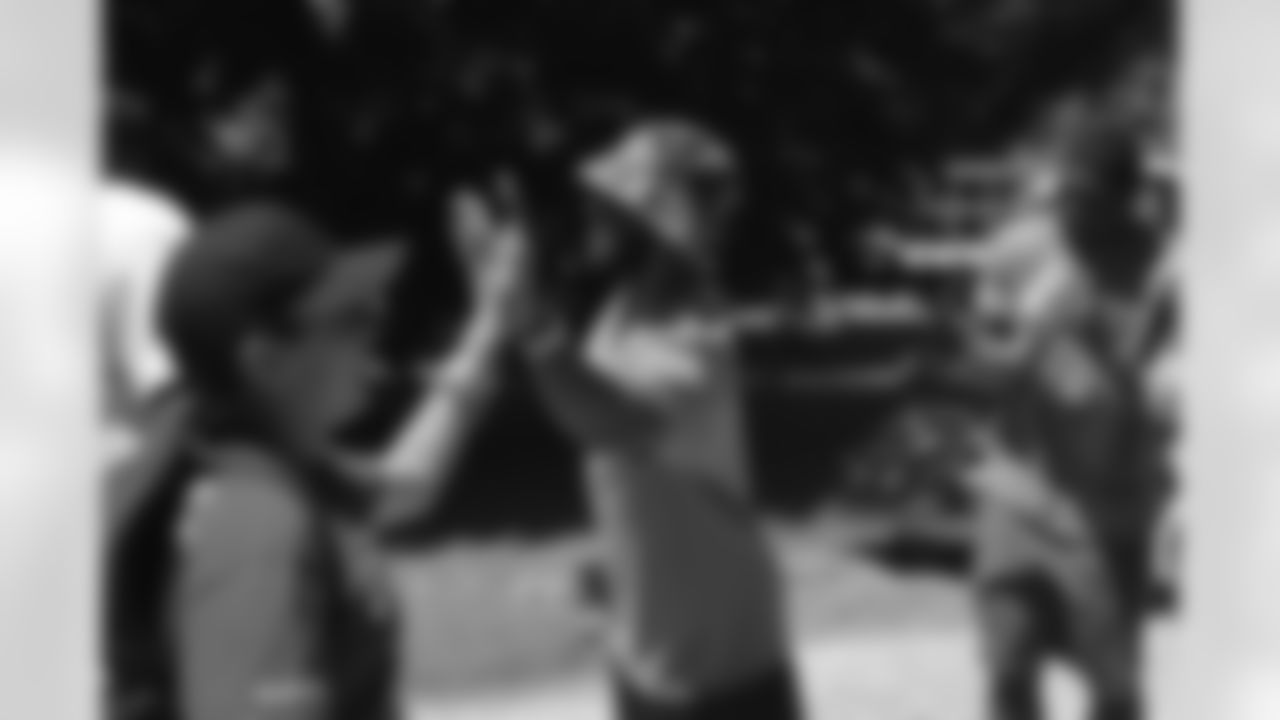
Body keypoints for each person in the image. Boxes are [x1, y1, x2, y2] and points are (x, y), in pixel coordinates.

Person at [107, 190, 525, 720]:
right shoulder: (256, 526)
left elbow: (407, 485)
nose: (378, 324)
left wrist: (490, 324)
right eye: (350, 317)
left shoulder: (276, 466)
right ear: (263, 357)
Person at [508, 120, 804, 720]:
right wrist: (615, 566)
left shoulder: (696, 331)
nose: (592, 214)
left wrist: (531, 324)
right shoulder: (622, 312)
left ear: (656, 224)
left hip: (723, 673)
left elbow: (614, 422)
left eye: (612, 204)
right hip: (648, 656)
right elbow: (636, 468)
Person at [898, 128, 1171, 720]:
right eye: (1064, 195)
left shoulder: (1156, 263)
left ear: (1123, 199)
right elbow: (984, 358)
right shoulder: (1017, 250)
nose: (1071, 212)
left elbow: (1131, 387)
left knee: (1114, 691)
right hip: (1016, 495)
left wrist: (1068, 339)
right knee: (1007, 667)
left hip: (1106, 510)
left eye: (1088, 200)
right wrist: (1000, 343)